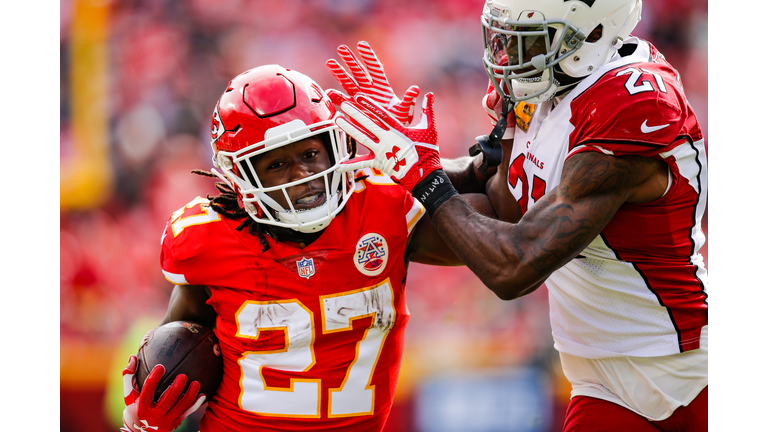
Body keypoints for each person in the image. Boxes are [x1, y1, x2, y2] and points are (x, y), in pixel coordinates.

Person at [326, 0, 708, 430]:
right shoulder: (550, 87)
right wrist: (376, 167)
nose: (508, 56)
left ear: (594, 33)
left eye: (531, 40)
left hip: (688, 369)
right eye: (503, 36)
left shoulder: (630, 103)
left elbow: (517, 267)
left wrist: (424, 176)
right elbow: (505, 207)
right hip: (601, 382)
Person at [118, 64, 497, 432]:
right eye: (278, 163)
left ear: (336, 148)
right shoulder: (207, 239)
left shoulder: (380, 206)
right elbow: (178, 343)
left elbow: (498, 229)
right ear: (240, 177)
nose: (302, 175)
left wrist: (506, 138)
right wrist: (142, 421)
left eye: (310, 154)